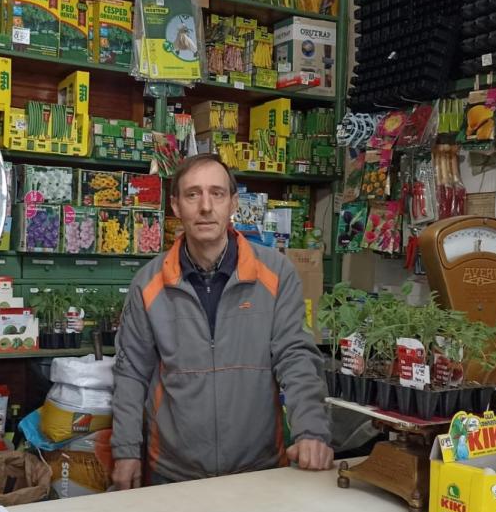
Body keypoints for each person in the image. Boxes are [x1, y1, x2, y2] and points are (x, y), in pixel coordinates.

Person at [110, 154, 333, 489]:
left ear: (232, 204)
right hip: (173, 473)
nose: (205, 206)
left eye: (216, 193)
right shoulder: (148, 283)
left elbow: (296, 356)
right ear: (175, 206)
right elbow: (130, 373)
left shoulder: (276, 273)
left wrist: (312, 431)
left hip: (259, 469)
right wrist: (126, 450)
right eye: (192, 194)